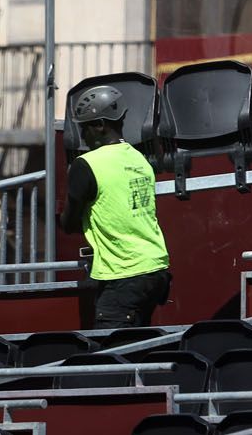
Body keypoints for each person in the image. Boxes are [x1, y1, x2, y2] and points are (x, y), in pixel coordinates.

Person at [59, 84, 171, 327]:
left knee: (111, 355)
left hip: (125, 273)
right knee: (136, 350)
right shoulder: (138, 158)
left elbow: (69, 222)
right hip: (155, 268)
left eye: (84, 128)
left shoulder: (87, 164)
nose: (83, 136)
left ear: (99, 125)